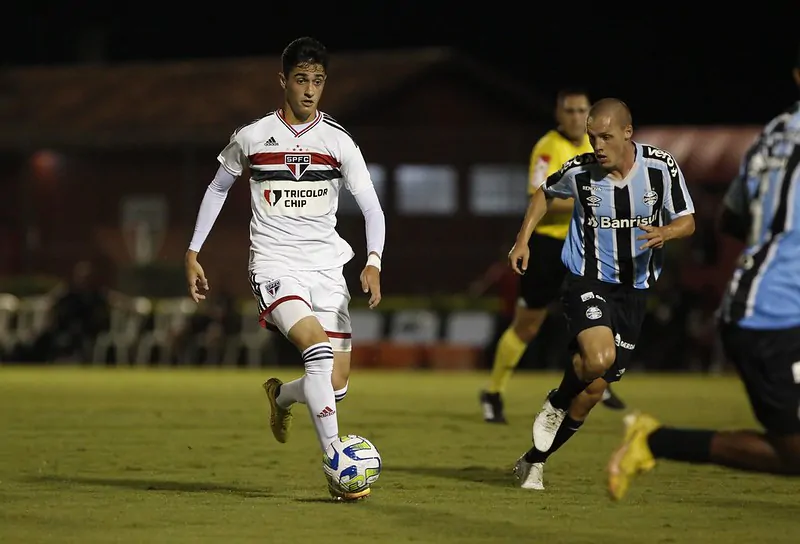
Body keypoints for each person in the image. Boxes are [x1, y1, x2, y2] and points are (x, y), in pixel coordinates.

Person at [184, 37, 386, 501]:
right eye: (301, 79)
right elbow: (217, 189)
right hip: (274, 265)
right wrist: (194, 251)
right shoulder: (253, 136)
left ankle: (281, 398)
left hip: (327, 270)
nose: (310, 89)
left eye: (317, 80)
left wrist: (373, 261)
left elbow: (372, 209)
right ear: (283, 82)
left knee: (334, 383)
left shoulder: (338, 141)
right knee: (316, 350)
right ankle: (338, 465)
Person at [607, 53, 800, 500]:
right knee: (794, 454)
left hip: (759, 301)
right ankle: (654, 441)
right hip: (775, 317)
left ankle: (654, 440)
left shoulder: (772, 135)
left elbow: (731, 217)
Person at [508, 98, 696, 490]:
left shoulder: (661, 167)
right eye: (593, 138)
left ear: (628, 132)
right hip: (587, 280)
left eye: (606, 137)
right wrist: (521, 241)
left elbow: (688, 220)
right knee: (598, 358)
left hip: (635, 291)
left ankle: (535, 461)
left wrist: (667, 232)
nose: (597, 145)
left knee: (593, 391)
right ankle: (557, 401)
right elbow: (543, 193)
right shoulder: (580, 172)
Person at [480, 89, 626, 424]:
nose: (576, 117)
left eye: (581, 111)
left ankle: (597, 380)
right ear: (559, 115)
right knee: (527, 326)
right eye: (570, 111)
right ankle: (493, 390)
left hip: (585, 248)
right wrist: (589, 199)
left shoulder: (597, 146)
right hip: (548, 247)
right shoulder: (548, 148)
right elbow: (539, 196)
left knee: (598, 317)